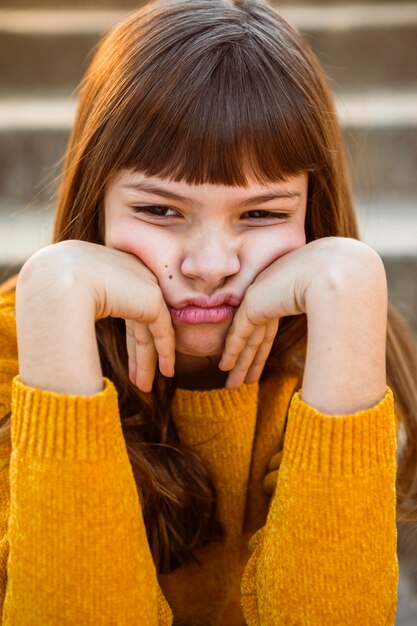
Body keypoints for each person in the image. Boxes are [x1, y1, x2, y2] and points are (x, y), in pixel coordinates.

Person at [0, 0, 416, 623]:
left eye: (262, 213)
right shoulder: (19, 342)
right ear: (96, 201)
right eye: (161, 211)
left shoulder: (340, 338)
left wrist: (351, 289)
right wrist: (56, 320)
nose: (210, 264)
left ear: (313, 209)